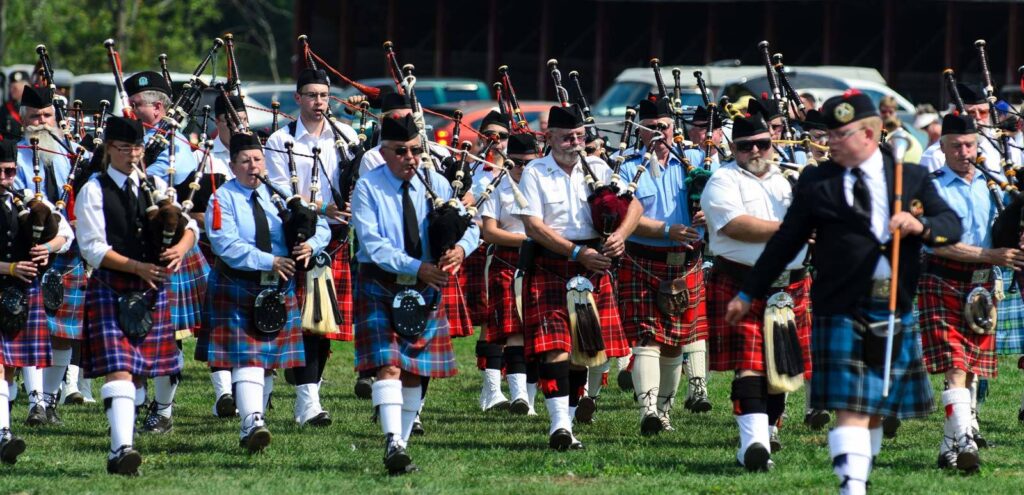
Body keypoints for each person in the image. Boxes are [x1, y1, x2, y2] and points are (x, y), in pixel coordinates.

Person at [725, 90, 962, 494]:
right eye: (829, 133)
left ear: (869, 134)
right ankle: (852, 488)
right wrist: (748, 293)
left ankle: (859, 477)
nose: (828, 141)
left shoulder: (908, 177)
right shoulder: (818, 180)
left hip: (892, 304)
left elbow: (950, 225)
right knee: (852, 407)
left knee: (871, 410)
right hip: (839, 306)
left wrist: (919, 227)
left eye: (840, 134)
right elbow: (786, 240)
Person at [351, 114, 479, 475]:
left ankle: (401, 445)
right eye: (401, 151)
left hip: (426, 288)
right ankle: (392, 441)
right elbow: (372, 243)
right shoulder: (368, 187)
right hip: (381, 283)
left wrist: (461, 250)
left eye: (416, 151)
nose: (410, 158)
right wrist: (415, 266)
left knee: (412, 373)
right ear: (384, 152)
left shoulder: (435, 182)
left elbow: (473, 223)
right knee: (389, 365)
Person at [75, 116, 199, 475]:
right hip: (113, 288)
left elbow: (189, 226)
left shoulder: (154, 183)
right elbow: (93, 249)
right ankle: (121, 449)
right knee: (120, 370)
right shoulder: (93, 189)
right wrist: (137, 268)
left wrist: (181, 250)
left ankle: (126, 441)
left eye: (137, 148)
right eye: (124, 148)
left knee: (138, 370)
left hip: (151, 291)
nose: (132, 155)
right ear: (109, 150)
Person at [512, 104, 641, 449]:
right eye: (567, 137)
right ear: (549, 137)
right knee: (554, 347)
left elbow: (636, 206)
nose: (575, 143)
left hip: (593, 263)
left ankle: (568, 426)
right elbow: (532, 225)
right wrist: (574, 252)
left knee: (583, 350)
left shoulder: (599, 167)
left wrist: (620, 236)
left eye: (580, 136)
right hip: (552, 262)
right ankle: (558, 426)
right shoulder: (535, 172)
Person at [203, 132, 330, 452]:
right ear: (232, 165)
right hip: (239, 285)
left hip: (278, 288)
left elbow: (322, 226)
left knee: (265, 359)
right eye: (244, 161)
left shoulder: (283, 194)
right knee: (248, 357)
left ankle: (254, 417)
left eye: (257, 159)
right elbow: (225, 244)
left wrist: (308, 246)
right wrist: (269, 260)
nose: (252, 166)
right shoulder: (221, 199)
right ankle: (252, 421)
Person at [701, 113, 814, 470]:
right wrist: (792, 228)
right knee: (749, 366)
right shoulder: (723, 180)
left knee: (782, 367)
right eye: (745, 145)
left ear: (773, 143)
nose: (755, 150)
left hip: (792, 284)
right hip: (742, 281)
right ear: (733, 148)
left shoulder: (792, 179)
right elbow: (735, 226)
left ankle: (765, 434)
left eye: (762, 143)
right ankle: (753, 444)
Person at [919, 114, 1020, 472]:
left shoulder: (991, 185)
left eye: (970, 145)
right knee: (955, 364)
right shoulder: (931, 187)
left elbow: (1002, 232)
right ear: (942, 147)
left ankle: (948, 446)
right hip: (942, 277)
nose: (964, 152)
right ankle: (964, 441)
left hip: (981, 283)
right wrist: (990, 255)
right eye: (956, 145)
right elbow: (935, 242)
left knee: (969, 368)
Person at [264, 68, 360, 427]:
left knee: (322, 322)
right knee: (301, 321)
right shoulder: (279, 140)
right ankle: (305, 399)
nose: (318, 102)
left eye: (323, 96)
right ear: (298, 98)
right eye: (311, 95)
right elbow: (277, 193)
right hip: (297, 235)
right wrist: (322, 208)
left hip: (334, 237)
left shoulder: (347, 136)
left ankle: (309, 398)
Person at [617, 98, 708, 435]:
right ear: (640, 130)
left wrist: (709, 212)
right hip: (644, 259)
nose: (659, 133)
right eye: (652, 127)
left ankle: (664, 412)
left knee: (675, 343)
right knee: (647, 339)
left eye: (665, 127)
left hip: (686, 263)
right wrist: (667, 230)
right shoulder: (626, 168)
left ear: (674, 129)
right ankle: (648, 411)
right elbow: (624, 218)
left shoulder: (695, 161)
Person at [124, 71, 208, 433]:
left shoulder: (175, 149)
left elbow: (178, 196)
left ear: (158, 108)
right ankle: (137, 403)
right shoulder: (129, 142)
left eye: (135, 106)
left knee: (166, 334)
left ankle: (163, 409)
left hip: (171, 248)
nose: (129, 112)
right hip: (130, 247)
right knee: (131, 329)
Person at [12, 85, 89, 417]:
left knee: (63, 333)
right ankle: (34, 401)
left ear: (55, 116)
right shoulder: (14, 154)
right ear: (23, 118)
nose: (40, 122)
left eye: (46, 115)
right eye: (33, 116)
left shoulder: (72, 151)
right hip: (27, 249)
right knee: (31, 327)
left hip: (68, 253)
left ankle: (50, 397)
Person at [0, 138, 74, 464]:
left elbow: (65, 232)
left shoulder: (24, 201)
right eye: (3, 171)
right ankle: (4, 431)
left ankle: (17, 417)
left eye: (11, 171)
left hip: (22, 294)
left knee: (6, 370)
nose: (8, 177)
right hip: (6, 284)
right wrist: (10, 267)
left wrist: (49, 246)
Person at [478, 133, 540, 415]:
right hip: (507, 260)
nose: (523, 168)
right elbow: (488, 231)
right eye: (517, 162)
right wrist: (529, 240)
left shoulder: (542, 186)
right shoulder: (499, 186)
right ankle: (518, 397)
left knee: (537, 332)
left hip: (541, 261)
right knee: (513, 331)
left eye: (529, 162)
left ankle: (530, 399)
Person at [0, 70, 30, 140]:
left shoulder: (35, 108)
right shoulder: (4, 110)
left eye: (15, 88)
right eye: (11, 87)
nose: (11, 90)